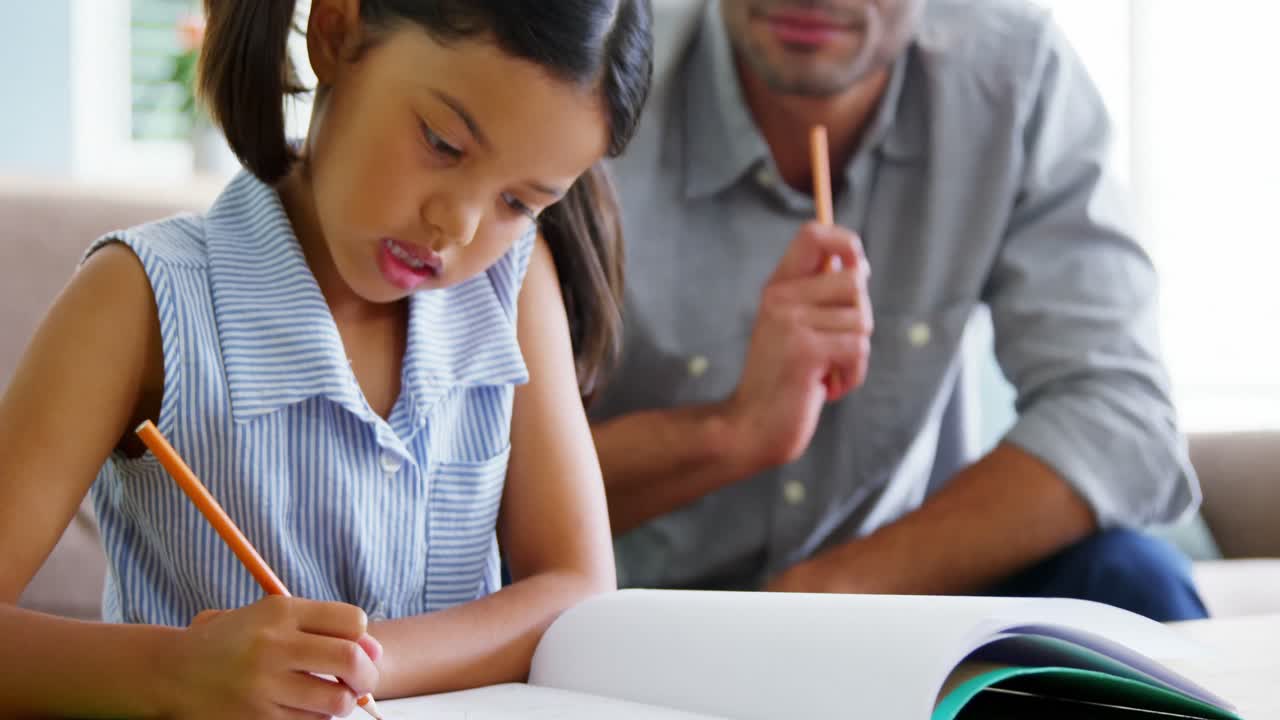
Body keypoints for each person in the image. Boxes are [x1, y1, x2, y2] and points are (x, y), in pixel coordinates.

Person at [0, 0, 652, 715]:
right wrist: (176, 671)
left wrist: (355, 667)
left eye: (519, 203)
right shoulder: (141, 297)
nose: (456, 225)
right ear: (336, 32)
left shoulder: (513, 285)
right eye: (442, 142)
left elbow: (576, 585)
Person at [591, 0, 1208, 622]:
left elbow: (1122, 419)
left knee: (1132, 581)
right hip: (644, 609)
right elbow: (501, 488)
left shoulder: (1014, 75)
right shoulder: (593, 71)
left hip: (899, 594)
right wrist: (731, 433)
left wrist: (822, 597)